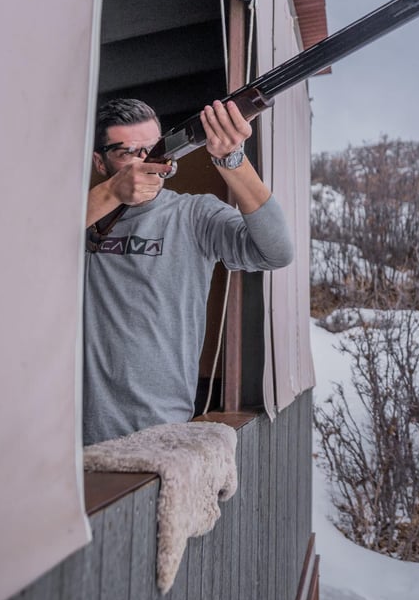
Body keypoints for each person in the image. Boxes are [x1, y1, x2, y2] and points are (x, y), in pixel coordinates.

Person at [83, 97, 293, 444]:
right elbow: (24, 245)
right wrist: (110, 195)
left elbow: (277, 252)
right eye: (127, 152)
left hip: (162, 438)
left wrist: (233, 159)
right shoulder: (77, 217)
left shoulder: (194, 216)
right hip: (70, 440)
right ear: (100, 162)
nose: (144, 164)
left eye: (152, 150)